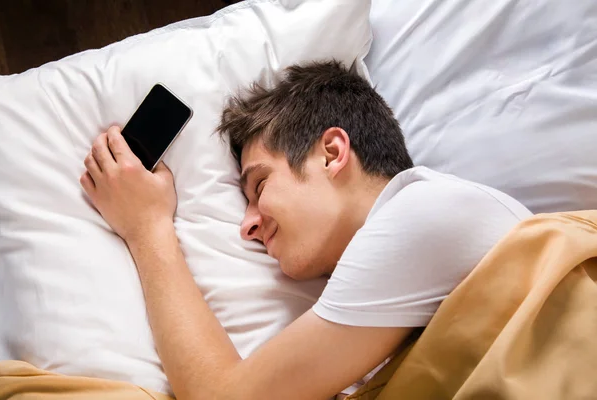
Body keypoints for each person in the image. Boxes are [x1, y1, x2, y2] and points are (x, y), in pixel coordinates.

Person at [80, 61, 532, 400]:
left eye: (260, 185)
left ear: (332, 153)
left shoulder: (420, 214)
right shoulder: (402, 270)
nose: (248, 224)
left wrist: (147, 229)